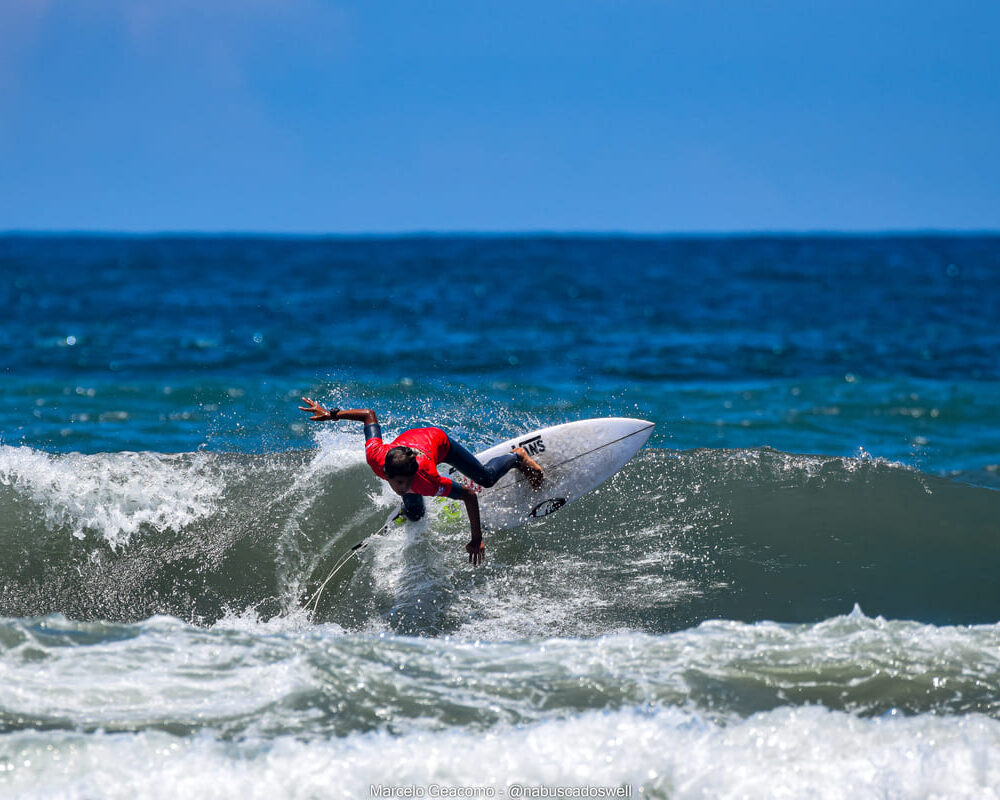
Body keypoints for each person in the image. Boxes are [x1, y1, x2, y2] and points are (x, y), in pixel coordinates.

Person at [298, 398, 543, 565]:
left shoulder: (427, 480)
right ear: (386, 473)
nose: (401, 487)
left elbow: (470, 495)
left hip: (437, 442)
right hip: (408, 445)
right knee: (415, 513)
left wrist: (476, 538)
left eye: (406, 482)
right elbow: (368, 415)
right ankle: (408, 509)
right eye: (398, 483)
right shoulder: (376, 457)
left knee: (486, 479)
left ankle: (517, 457)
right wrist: (330, 414)